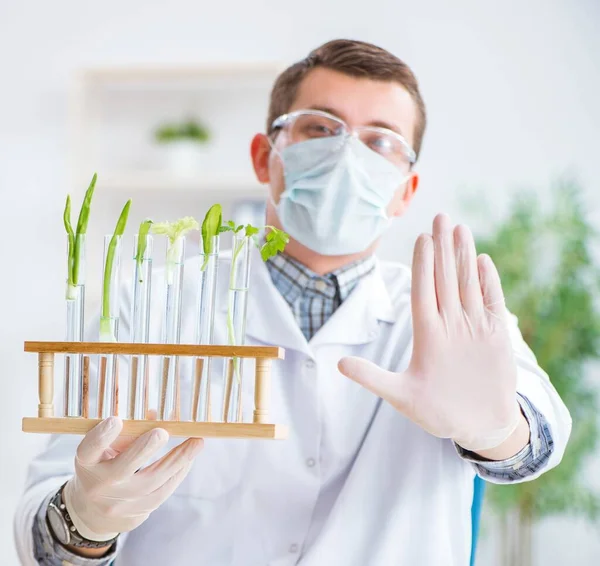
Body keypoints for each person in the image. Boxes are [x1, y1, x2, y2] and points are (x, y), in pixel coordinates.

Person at [15, 39, 571, 566]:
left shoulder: (451, 318)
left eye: (381, 141)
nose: (347, 155)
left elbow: (539, 439)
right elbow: (44, 536)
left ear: (406, 190)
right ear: (265, 157)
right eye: (320, 128)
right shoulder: (149, 303)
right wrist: (86, 519)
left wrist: (497, 431)